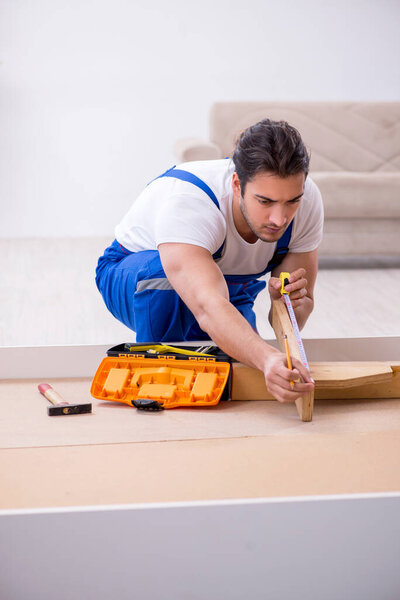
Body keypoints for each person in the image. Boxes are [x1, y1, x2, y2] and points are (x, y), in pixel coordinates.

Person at [96, 118, 324, 404]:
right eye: (265, 202)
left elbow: (291, 317)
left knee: (238, 364)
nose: (280, 219)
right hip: (133, 275)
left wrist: (288, 306)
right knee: (176, 300)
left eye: (292, 201)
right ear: (237, 184)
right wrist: (267, 358)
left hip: (227, 286)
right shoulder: (191, 201)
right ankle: (159, 376)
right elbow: (208, 306)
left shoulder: (308, 199)